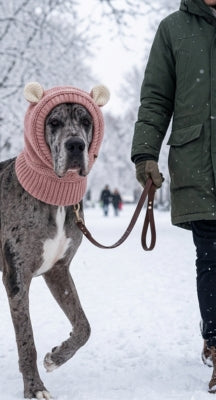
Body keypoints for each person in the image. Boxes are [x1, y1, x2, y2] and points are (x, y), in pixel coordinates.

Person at [131, 0, 216, 393]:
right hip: (198, 160)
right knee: (212, 256)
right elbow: (156, 98)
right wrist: (146, 153)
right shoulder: (174, 29)